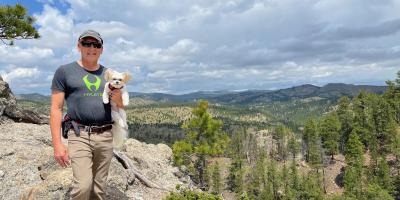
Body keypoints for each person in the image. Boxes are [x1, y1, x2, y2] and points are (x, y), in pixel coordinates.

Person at [50, 30, 123, 200]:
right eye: (87, 44)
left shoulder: (110, 75)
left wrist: (119, 100)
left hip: (105, 135)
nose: (91, 48)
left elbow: (119, 106)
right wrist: (57, 145)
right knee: (82, 187)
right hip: (79, 134)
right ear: (79, 46)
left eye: (96, 45)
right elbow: (56, 108)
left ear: (101, 49)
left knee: (99, 189)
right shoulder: (64, 71)